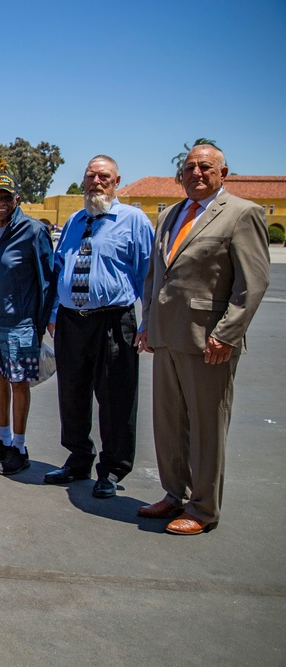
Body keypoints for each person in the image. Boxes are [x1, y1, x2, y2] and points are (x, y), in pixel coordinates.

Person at [135, 145, 269, 535]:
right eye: (189, 166)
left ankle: (203, 508)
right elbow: (154, 277)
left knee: (207, 426)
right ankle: (174, 493)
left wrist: (227, 333)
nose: (195, 172)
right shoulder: (170, 215)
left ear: (223, 172)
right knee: (169, 422)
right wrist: (148, 324)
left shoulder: (243, 214)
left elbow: (253, 283)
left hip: (208, 341)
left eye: (205, 166)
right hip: (166, 336)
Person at [44, 156, 154, 498]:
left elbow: (149, 276)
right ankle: (78, 459)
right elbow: (60, 268)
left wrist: (148, 321)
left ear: (117, 181)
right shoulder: (76, 220)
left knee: (116, 397)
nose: (96, 182)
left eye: (103, 176)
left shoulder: (133, 220)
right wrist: (52, 313)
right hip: (71, 320)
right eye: (90, 176)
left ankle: (112, 470)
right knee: (72, 393)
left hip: (113, 319)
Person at [0, 174, 54, 475]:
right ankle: (3, 440)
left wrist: (44, 321)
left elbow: (48, 280)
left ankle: (20, 446)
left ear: (16, 199)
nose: (2, 203)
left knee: (19, 383)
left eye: (7, 198)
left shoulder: (33, 231)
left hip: (21, 323)